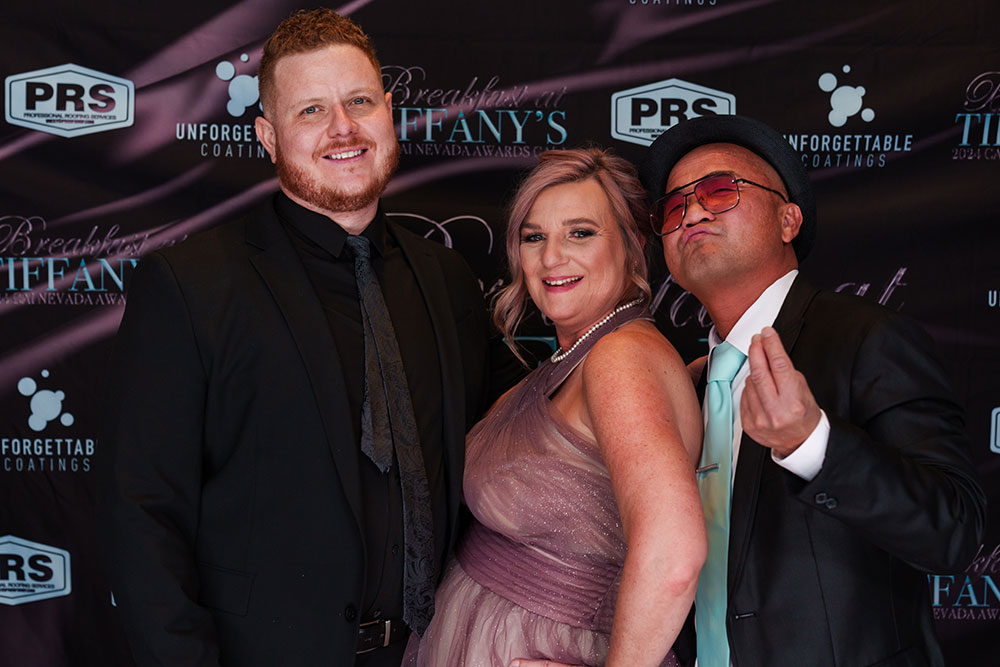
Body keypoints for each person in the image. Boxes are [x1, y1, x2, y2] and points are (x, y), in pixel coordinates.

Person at [97, 9, 518, 667]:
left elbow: (524, 430)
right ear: (268, 136)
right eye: (311, 110)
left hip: (434, 652)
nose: (342, 128)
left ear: (389, 112)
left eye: (359, 102)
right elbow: (142, 514)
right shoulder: (190, 286)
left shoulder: (446, 279)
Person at [638, 114, 986, 667]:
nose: (693, 212)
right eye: (673, 207)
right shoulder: (686, 384)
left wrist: (811, 443)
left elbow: (954, 533)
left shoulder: (869, 338)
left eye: (720, 190)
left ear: (788, 219)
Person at [405, 148, 707, 667]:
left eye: (580, 233)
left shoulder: (620, 357)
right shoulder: (576, 357)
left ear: (634, 245)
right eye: (534, 237)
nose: (551, 258)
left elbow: (673, 555)